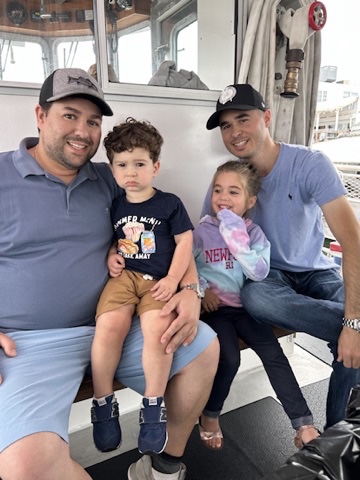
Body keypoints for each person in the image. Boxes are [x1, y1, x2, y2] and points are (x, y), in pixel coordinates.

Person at [0, 67, 219, 480]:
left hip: (117, 320)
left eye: (93, 121)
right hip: (32, 344)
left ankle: (162, 466)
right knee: (23, 468)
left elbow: (172, 234)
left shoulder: (112, 177)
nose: (83, 130)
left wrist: (189, 288)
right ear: (40, 116)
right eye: (69, 115)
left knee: (203, 345)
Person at [202, 83, 360, 430]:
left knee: (355, 333)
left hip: (318, 272)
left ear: (267, 118)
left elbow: (353, 242)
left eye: (242, 119)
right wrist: (199, 287)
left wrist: (353, 323)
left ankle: (336, 438)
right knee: (254, 296)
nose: (234, 132)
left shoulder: (310, 164)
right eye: (226, 125)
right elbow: (203, 239)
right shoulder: (229, 180)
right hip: (267, 278)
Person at [195, 159, 319, 450]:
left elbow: (259, 272)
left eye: (233, 192)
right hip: (216, 312)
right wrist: (202, 292)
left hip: (247, 309)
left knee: (274, 356)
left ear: (250, 200)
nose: (223, 198)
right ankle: (210, 415)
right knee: (230, 359)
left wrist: (236, 238)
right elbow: (186, 266)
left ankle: (303, 422)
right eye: (217, 190)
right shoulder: (200, 231)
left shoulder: (253, 234)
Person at [91, 118, 194, 456]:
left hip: (157, 282)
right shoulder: (116, 204)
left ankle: (153, 405)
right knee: (108, 327)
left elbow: (184, 243)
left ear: (155, 166)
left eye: (139, 164)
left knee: (159, 332)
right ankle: (103, 402)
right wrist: (110, 255)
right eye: (122, 165)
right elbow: (115, 240)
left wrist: (173, 280)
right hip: (124, 279)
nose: (130, 172)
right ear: (113, 169)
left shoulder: (169, 203)